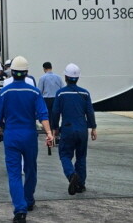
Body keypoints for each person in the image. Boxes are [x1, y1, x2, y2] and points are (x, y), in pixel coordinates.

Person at [0, 56, 54, 223]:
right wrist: (49, 133)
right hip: (29, 136)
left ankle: (20, 210)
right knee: (30, 170)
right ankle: (29, 200)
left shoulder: (5, 92)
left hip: (12, 136)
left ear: (12, 72)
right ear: (26, 73)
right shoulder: (34, 92)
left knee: (14, 174)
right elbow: (43, 115)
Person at [51, 63, 97, 196]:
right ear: (78, 78)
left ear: (65, 77)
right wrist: (93, 127)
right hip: (82, 129)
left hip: (67, 129)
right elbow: (90, 111)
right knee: (81, 157)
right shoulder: (85, 93)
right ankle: (81, 184)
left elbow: (55, 112)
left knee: (65, 155)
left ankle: (71, 176)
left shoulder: (60, 94)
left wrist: (54, 128)